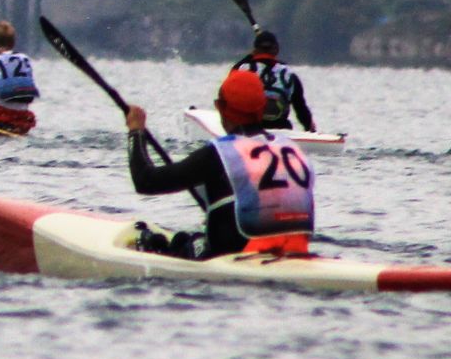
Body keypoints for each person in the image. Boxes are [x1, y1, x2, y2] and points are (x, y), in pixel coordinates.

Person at [121, 71, 313, 260]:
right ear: (262, 108)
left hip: (237, 255)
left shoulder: (220, 153)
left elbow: (145, 181)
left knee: (176, 242)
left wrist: (136, 131)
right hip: (296, 252)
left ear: (220, 108)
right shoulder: (293, 149)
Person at [231, 29, 316, 133]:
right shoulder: (289, 74)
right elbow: (301, 109)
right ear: (276, 50)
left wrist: (250, 56)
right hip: (282, 130)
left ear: (255, 50)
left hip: (250, 130)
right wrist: (311, 129)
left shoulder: (243, 69)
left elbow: (228, 86)